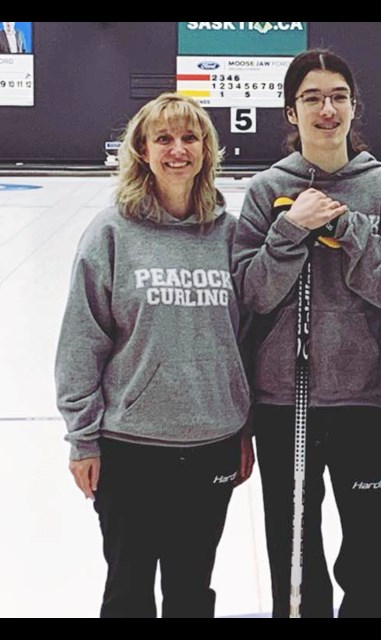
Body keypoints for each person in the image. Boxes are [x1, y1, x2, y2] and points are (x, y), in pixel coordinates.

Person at [231, 48, 381, 618]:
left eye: (337, 96)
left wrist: (351, 229)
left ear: (353, 105)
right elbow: (252, 293)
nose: (326, 109)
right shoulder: (267, 191)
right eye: (311, 98)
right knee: (294, 553)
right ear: (292, 112)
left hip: (359, 401)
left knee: (367, 555)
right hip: (282, 404)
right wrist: (289, 231)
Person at [55, 93, 254, 618]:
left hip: (212, 443)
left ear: (207, 150)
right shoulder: (111, 233)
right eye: (164, 138)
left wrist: (243, 429)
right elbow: (82, 340)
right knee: (129, 590)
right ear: (142, 149)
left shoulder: (229, 235)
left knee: (192, 591)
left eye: (190, 138)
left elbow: (246, 340)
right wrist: (83, 439)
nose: (177, 150)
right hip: (130, 449)